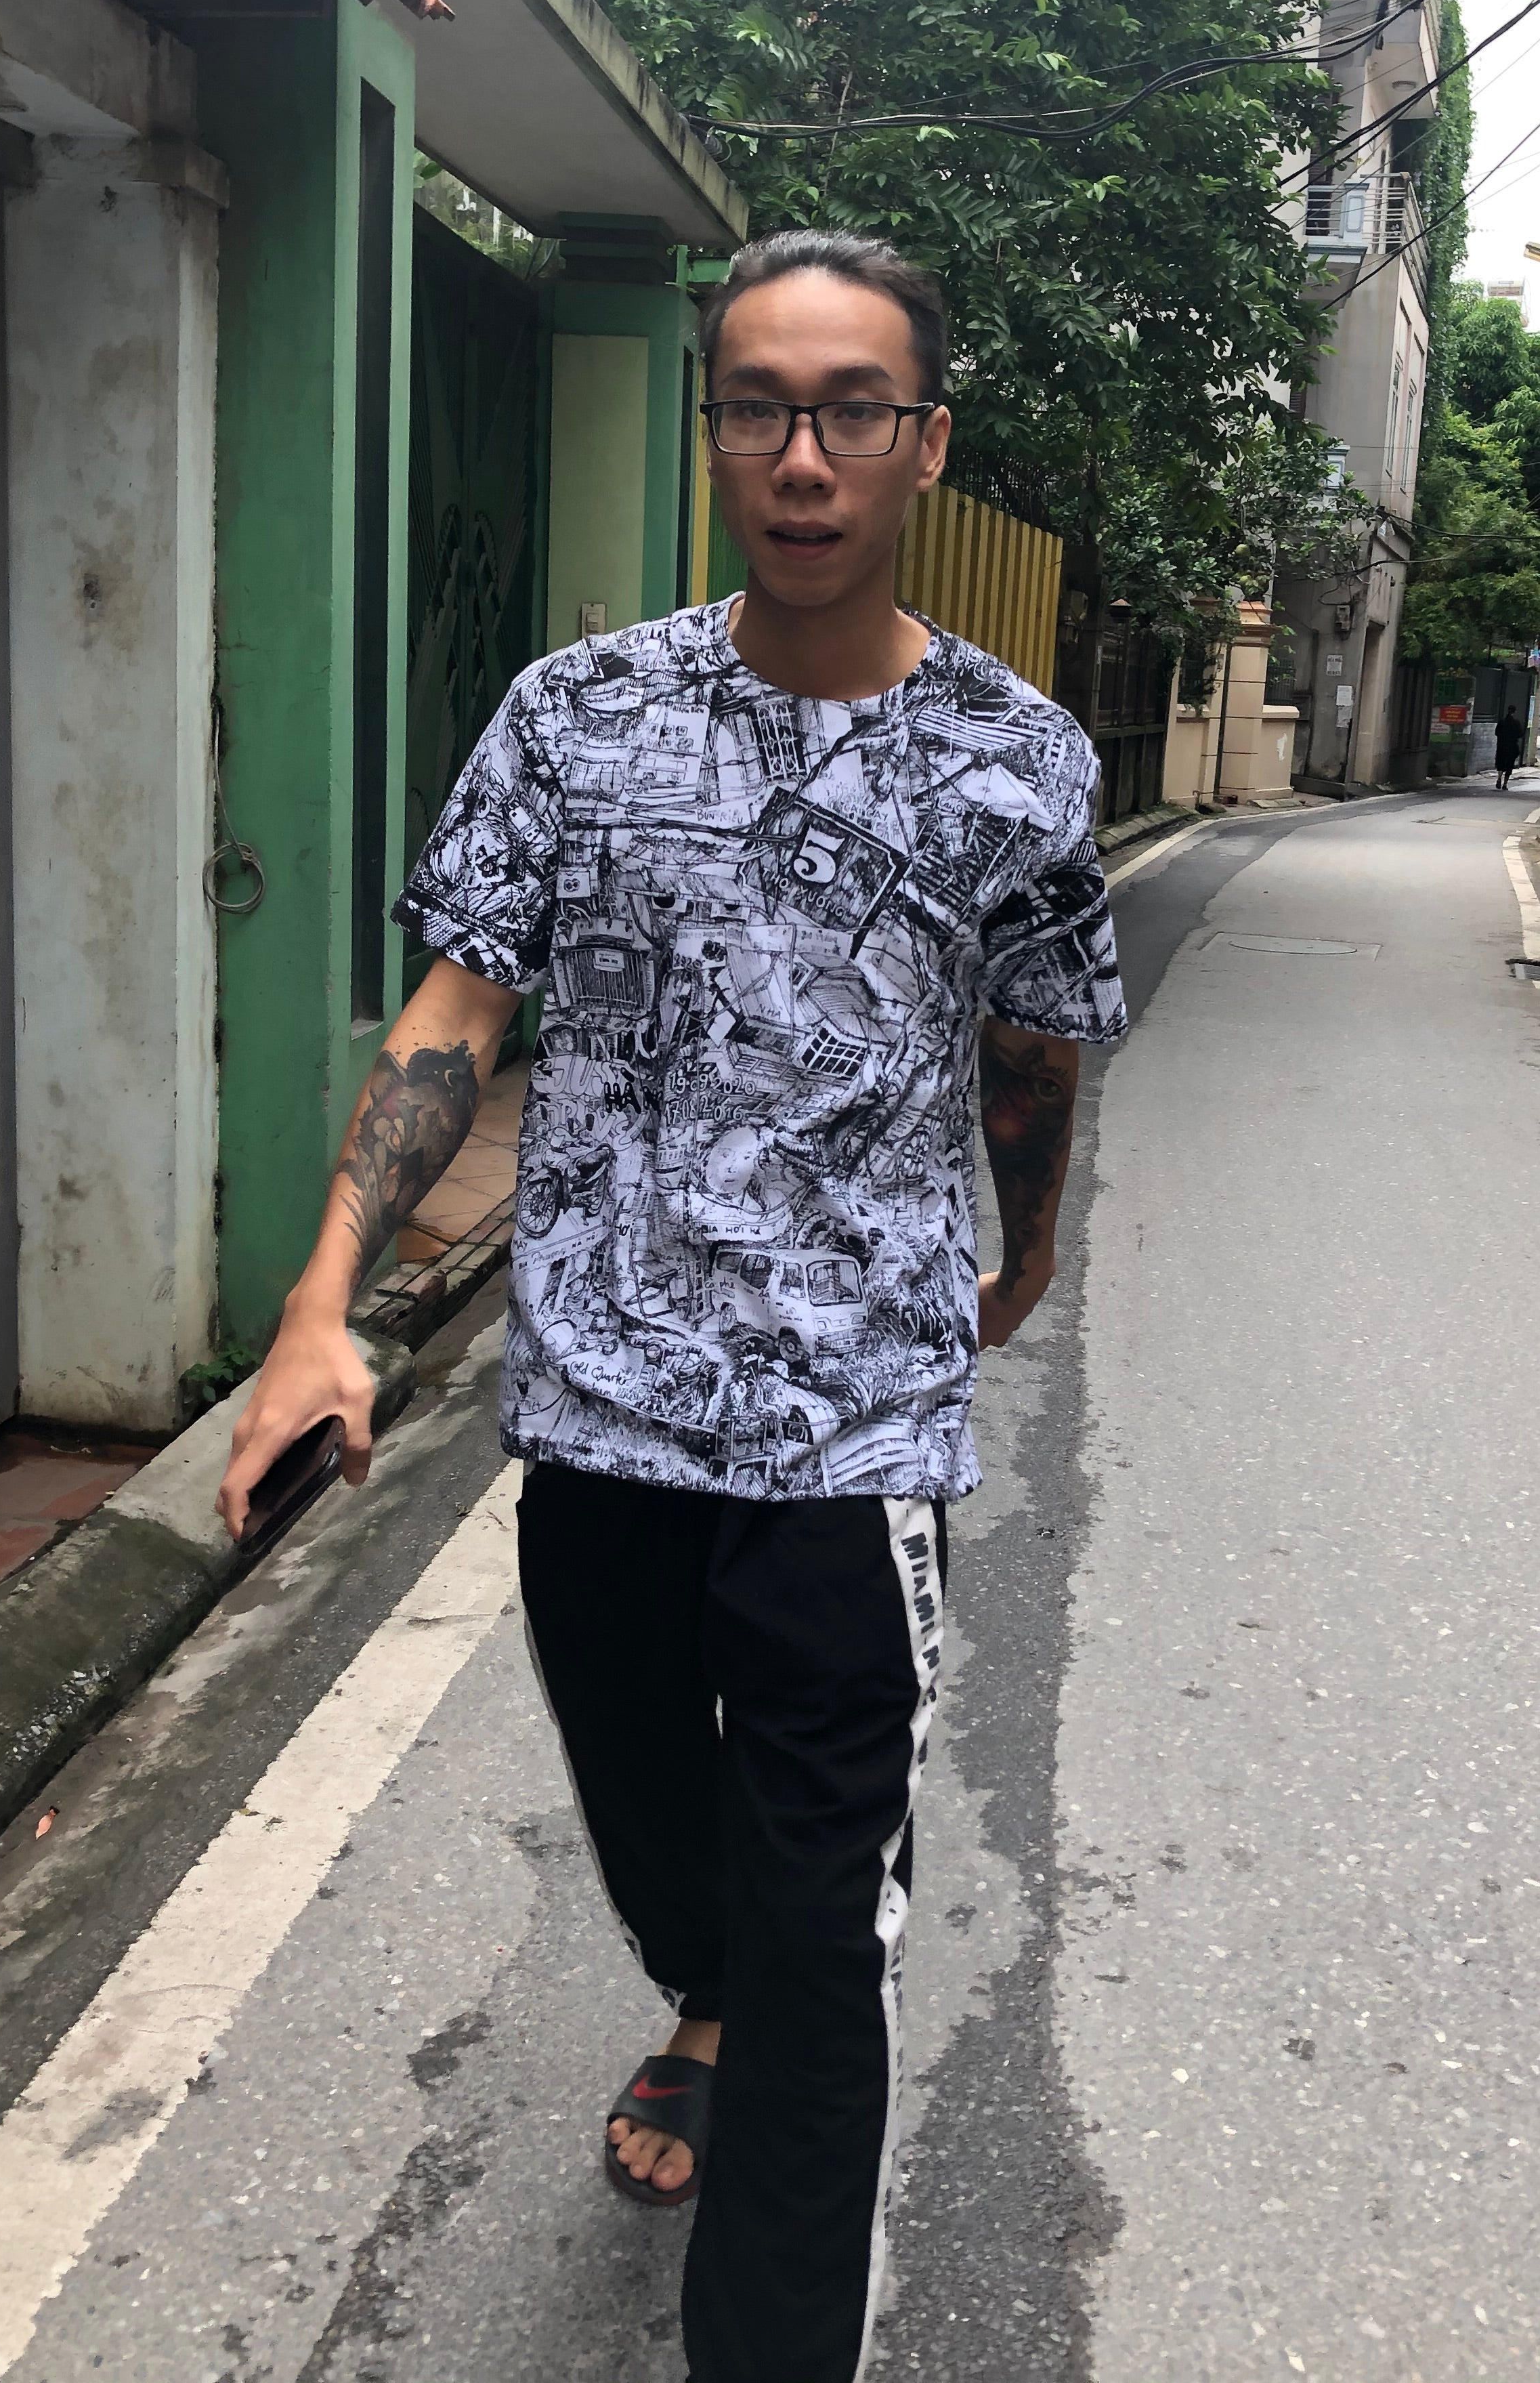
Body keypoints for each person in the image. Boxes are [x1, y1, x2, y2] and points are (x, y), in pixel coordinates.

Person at [217, 229, 1127, 2383]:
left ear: (920, 439)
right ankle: (694, 1979)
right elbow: (460, 1009)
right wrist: (322, 1300)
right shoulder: (578, 715)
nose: (799, 456)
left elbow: (1036, 1042)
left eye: (850, 411)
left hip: (851, 1436)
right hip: (603, 1403)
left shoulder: (1020, 763)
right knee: (647, 1807)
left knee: (827, 1952)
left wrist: (1033, 1237)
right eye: (756, 406)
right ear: (718, 427)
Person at [1495, 704, 1525, 790]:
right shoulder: (1516, 723)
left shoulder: (1502, 722)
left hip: (1501, 746)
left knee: (1500, 763)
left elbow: (1497, 733)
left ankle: (1499, 778)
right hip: (1512, 747)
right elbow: (1521, 734)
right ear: (1515, 712)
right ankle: (1505, 784)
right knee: (1509, 765)